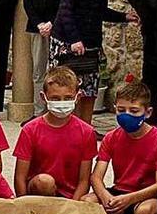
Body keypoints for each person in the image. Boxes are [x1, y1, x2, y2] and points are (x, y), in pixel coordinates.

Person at [52, 0, 136, 122]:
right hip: (69, 41)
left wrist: (124, 17)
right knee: (68, 87)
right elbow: (66, 8)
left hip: (90, 41)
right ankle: (67, 127)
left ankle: (85, 128)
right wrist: (74, 39)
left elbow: (99, 10)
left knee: (90, 89)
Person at [85, 82, 157, 214]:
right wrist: (107, 197)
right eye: (121, 110)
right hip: (119, 191)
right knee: (87, 203)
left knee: (149, 212)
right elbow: (96, 176)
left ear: (148, 112)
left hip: (147, 195)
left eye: (134, 111)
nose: (126, 115)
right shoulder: (111, 137)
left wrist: (129, 199)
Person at [13, 67, 97, 199]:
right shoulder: (30, 130)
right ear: (43, 97)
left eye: (68, 98)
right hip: (39, 193)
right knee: (45, 182)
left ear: (78, 97)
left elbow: (84, 180)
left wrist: (72, 208)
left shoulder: (87, 132)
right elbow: (20, 176)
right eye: (55, 99)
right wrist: (23, 204)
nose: (62, 103)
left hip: (70, 198)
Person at [22, 0, 76, 115]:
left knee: (61, 71)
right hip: (38, 27)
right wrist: (38, 22)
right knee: (38, 71)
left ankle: (61, 110)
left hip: (61, 27)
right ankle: (39, 112)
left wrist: (53, 22)